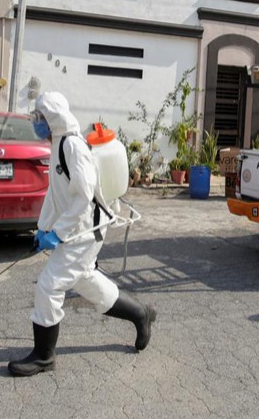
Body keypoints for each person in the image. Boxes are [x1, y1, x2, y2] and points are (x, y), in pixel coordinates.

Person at [8, 92, 156, 377]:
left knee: (49, 286)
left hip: (86, 230)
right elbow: (56, 194)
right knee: (87, 281)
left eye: (40, 118)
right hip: (77, 230)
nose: (36, 123)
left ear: (52, 119)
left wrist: (59, 234)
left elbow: (84, 196)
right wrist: (43, 229)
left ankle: (44, 356)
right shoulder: (57, 144)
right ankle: (141, 314)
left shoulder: (72, 145)